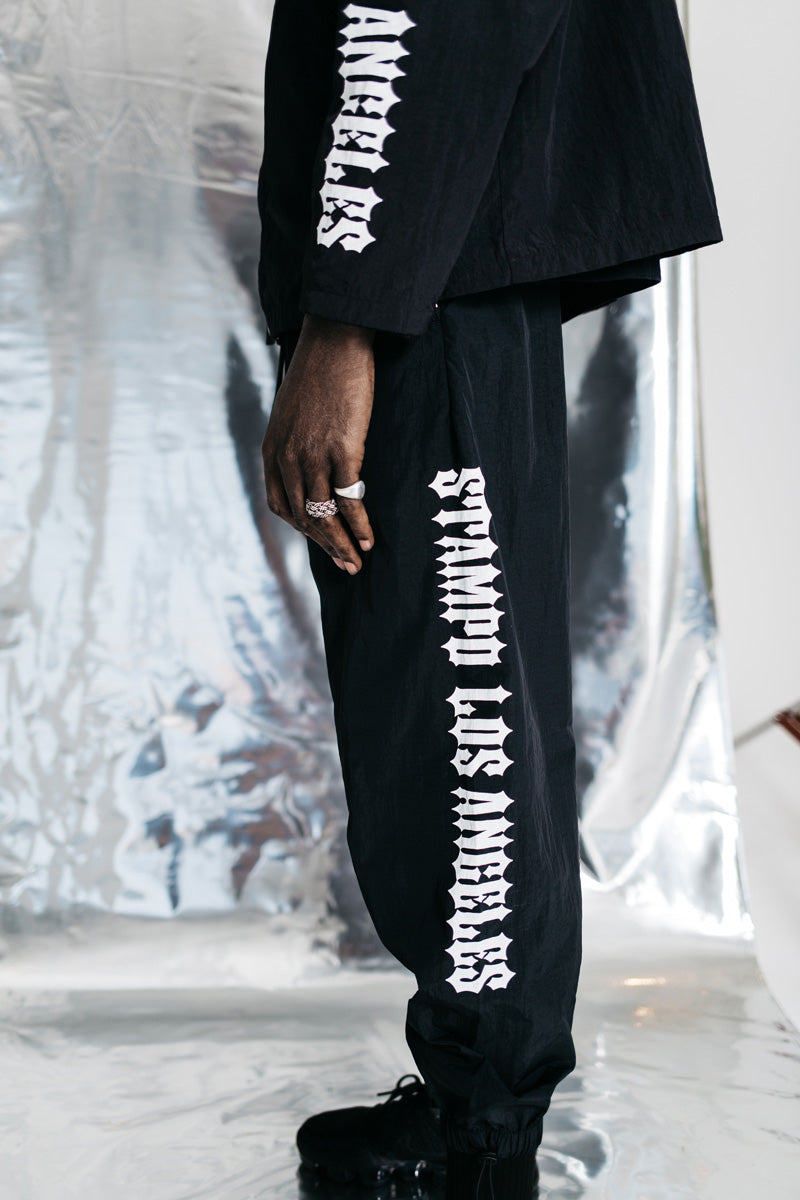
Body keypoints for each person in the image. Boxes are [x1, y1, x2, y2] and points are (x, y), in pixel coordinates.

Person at [256, 2, 721, 1196]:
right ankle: (481, 1099)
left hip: (423, 271)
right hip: (436, 251)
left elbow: (426, 18)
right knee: (450, 690)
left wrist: (347, 320)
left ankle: (481, 1130)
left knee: (456, 703)